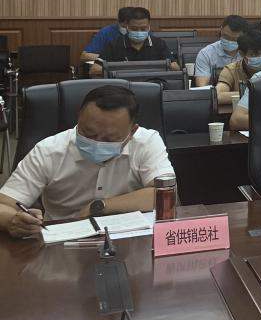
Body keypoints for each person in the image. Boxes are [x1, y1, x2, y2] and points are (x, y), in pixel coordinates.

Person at [1, 85, 173, 234]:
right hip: (62, 242)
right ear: (79, 117)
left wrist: (99, 206)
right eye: (88, 133)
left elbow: (165, 194)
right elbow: (4, 204)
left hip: (129, 238)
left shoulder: (146, 142)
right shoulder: (49, 151)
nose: (97, 143)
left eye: (110, 139)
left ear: (132, 131)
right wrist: (13, 220)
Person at [93, 6, 179, 75]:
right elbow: (95, 69)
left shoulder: (159, 44)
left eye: (143, 29)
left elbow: (175, 67)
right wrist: (120, 69)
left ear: (149, 26)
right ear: (127, 26)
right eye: (134, 29)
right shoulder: (114, 44)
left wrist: (154, 68)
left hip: (153, 84)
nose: (139, 32)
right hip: (123, 85)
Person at [216, 32, 261, 104]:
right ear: (242, 53)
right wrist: (253, 94)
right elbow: (218, 96)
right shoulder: (230, 70)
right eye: (254, 54)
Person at [193, 14, 249, 86]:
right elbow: (202, 87)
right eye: (226, 36)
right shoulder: (206, 54)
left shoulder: (249, 53)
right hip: (216, 92)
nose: (229, 41)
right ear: (221, 29)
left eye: (234, 39)